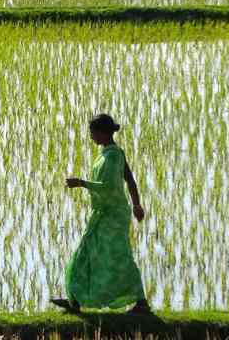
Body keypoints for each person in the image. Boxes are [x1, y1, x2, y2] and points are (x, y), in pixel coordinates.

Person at [51, 113, 151, 315]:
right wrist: (136, 204)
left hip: (112, 216)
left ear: (104, 133)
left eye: (93, 132)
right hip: (104, 213)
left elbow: (109, 186)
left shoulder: (114, 156)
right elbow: (129, 181)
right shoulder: (109, 153)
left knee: (119, 257)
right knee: (87, 253)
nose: (91, 136)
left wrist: (82, 183)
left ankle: (140, 302)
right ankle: (75, 299)